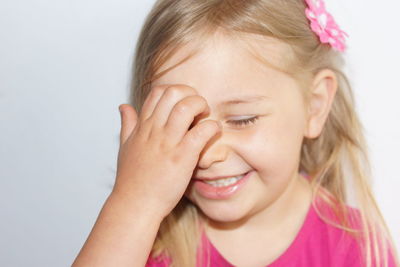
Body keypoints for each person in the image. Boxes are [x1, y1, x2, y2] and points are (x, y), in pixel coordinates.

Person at [72, 0, 399, 266]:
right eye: (184, 123)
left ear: (314, 106)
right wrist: (135, 204)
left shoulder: (356, 249)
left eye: (242, 120)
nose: (210, 154)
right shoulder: (143, 240)